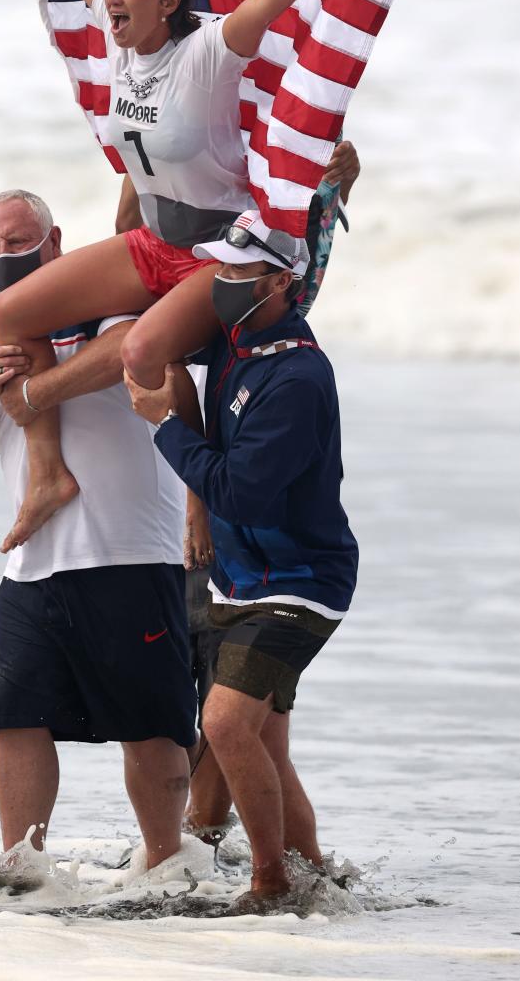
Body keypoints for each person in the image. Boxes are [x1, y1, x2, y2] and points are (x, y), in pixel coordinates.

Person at [0, 0, 346, 551]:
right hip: (154, 244)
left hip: (222, 253)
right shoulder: (120, 42)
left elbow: (267, 3)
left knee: (144, 351)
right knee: (10, 311)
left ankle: (196, 506)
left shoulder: (208, 52)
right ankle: (47, 473)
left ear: (170, 0)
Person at [0, 189, 199, 868]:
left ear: (54, 243)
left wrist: (39, 390)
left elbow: (128, 349)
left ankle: (166, 869)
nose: (4, 256)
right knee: (16, 719)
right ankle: (22, 869)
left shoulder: (102, 298)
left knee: (152, 725)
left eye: (18, 241)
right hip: (31, 564)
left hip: (131, 551)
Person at [125, 209, 358, 912]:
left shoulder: (297, 379)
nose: (223, 282)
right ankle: (316, 875)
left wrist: (164, 427)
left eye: (240, 272)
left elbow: (241, 492)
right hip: (238, 577)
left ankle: (268, 883)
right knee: (267, 744)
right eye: (219, 269)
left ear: (283, 283)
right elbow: (153, 328)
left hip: (302, 583)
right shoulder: (237, 339)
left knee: (225, 725)